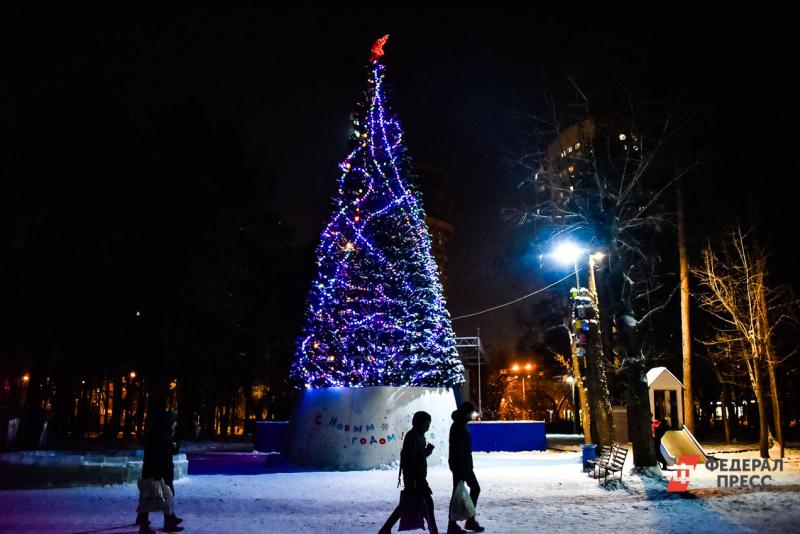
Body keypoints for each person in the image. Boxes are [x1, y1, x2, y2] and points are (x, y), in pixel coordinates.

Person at [379, 411, 438, 534]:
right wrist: (412, 481)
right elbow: (411, 460)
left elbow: (419, 457)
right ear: (417, 423)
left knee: (406, 506)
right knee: (427, 505)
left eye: (428, 424)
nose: (427, 426)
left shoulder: (419, 436)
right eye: (425, 423)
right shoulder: (413, 437)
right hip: (416, 478)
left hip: (418, 477)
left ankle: (386, 528)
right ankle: (434, 531)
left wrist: (427, 451)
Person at [136, 411, 184, 533]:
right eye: (174, 422)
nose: (176, 424)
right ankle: (166, 522)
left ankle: (146, 519)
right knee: (163, 496)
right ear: (168, 423)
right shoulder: (160, 435)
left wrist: (174, 445)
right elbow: (162, 455)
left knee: (150, 496)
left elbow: (168, 451)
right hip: (158, 473)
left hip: (155, 472)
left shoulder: (160, 433)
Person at [448, 402, 484, 534]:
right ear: (466, 412)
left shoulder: (460, 424)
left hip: (461, 464)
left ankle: (458, 523)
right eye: (472, 411)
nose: (473, 414)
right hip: (461, 465)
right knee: (472, 489)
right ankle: (465, 522)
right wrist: (463, 468)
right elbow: (459, 450)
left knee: (458, 493)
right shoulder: (459, 426)